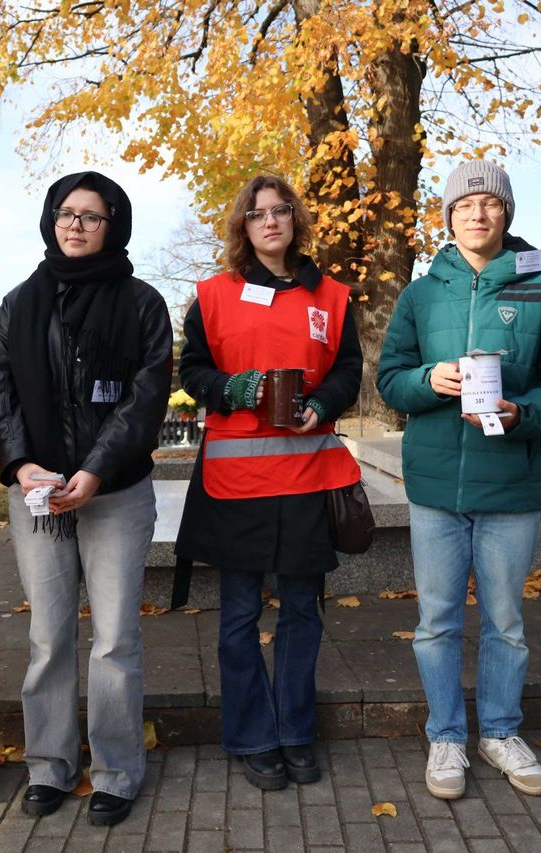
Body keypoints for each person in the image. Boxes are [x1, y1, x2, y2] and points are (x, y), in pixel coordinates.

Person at [376, 160, 541, 800]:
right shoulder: (420, 294)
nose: (477, 213)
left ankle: (498, 732)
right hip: (437, 487)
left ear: (506, 213)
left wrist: (525, 415)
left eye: (489, 203)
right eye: (464, 204)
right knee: (437, 621)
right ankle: (445, 735)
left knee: (506, 623)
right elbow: (390, 379)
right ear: (448, 217)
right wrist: (426, 382)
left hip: (509, 484)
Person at [0, 171, 172, 827]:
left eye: (92, 215)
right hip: (37, 494)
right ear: (49, 219)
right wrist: (19, 462)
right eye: (67, 212)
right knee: (48, 635)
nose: (77, 224)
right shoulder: (19, 302)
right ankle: (50, 765)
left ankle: (117, 768)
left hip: (114, 491)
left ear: (113, 224)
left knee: (114, 637)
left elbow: (144, 399)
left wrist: (94, 468)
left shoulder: (143, 303)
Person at [174, 175, 363, 790]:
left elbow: (349, 369)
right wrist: (229, 389)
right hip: (237, 482)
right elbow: (193, 370)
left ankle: (294, 731)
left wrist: (323, 403)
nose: (270, 222)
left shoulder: (332, 296)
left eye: (281, 211)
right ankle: (254, 735)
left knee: (303, 612)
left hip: (308, 476)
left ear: (295, 220)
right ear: (243, 226)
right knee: (237, 615)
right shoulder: (211, 295)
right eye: (257, 214)